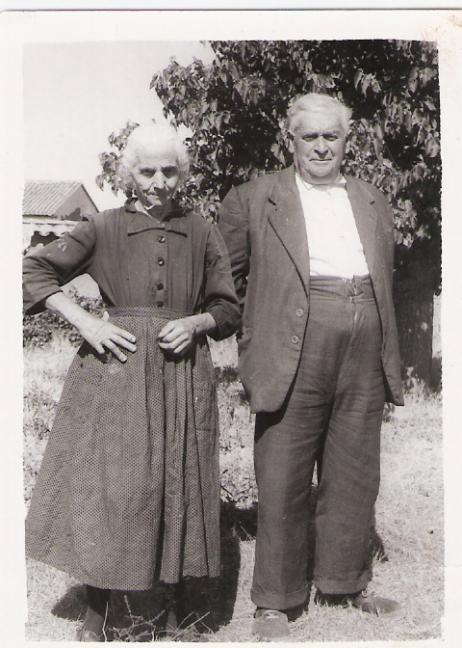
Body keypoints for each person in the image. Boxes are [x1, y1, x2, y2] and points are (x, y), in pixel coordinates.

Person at [23, 123, 240, 641]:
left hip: (182, 372)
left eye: (169, 170)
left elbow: (228, 308)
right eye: (146, 171)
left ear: (182, 173)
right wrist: (88, 322)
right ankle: (98, 611)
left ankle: (177, 610)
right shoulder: (102, 226)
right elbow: (33, 271)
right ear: (128, 174)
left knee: (179, 482)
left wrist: (197, 323)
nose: (159, 181)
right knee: (115, 486)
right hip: (116, 371)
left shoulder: (202, 230)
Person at [218, 93, 404, 640]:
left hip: (365, 340)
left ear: (348, 140)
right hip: (293, 343)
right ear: (290, 139)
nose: (321, 147)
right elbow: (225, 284)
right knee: (284, 470)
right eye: (310, 136)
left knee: (354, 467)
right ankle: (276, 600)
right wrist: (253, 331)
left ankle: (344, 582)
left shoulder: (372, 199)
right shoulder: (253, 198)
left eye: (332, 136)